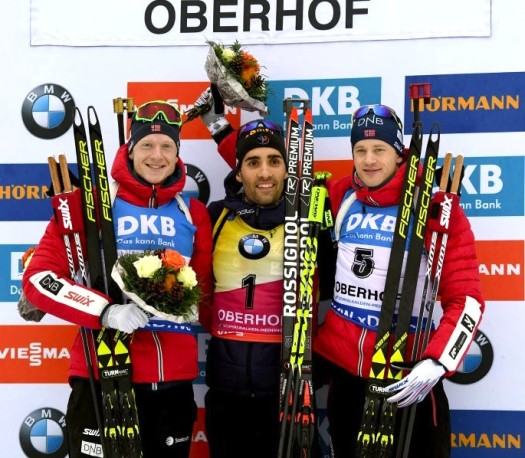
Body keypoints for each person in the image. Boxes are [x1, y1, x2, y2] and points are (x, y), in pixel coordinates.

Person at [22, 100, 213, 458]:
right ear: (129, 148)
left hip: (171, 385)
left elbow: (205, 291)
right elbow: (40, 278)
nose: (157, 156)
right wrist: (106, 312)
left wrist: (186, 308)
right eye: (147, 145)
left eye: (167, 146)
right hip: (102, 377)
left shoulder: (193, 214)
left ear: (177, 154)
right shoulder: (93, 204)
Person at [312, 104, 485, 457]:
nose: (369, 159)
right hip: (348, 377)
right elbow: (268, 183)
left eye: (380, 149)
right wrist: (225, 132)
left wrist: (438, 361)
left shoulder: (435, 207)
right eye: (360, 150)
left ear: (399, 152)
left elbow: (466, 299)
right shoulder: (339, 195)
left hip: (409, 377)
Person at [194, 87, 325, 458]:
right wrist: (218, 126)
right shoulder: (215, 216)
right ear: (238, 170)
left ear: (289, 167)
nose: (265, 172)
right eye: (253, 163)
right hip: (226, 392)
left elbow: (376, 181)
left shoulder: (311, 215)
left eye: (274, 161)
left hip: (289, 392)